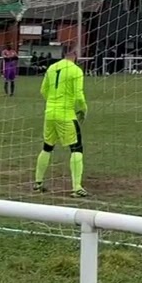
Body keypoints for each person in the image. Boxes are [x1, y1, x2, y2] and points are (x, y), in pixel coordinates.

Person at [34, 45, 88, 197]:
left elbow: (43, 90)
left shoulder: (52, 68)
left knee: (47, 147)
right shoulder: (76, 70)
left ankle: (38, 182)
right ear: (75, 54)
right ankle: (77, 187)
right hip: (66, 115)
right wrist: (83, 110)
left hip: (49, 113)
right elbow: (79, 95)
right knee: (76, 148)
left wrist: (53, 103)